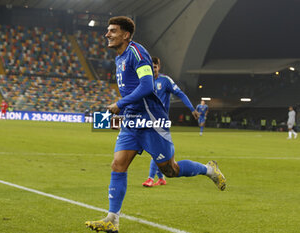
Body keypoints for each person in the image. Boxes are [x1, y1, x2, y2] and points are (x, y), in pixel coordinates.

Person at [85, 16, 226, 233]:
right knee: (118, 164)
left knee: (170, 170)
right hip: (132, 120)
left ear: (125, 34)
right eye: (108, 30)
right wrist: (124, 108)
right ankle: (112, 219)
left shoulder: (136, 53)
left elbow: (147, 85)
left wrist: (120, 103)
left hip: (151, 119)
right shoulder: (120, 58)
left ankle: (209, 169)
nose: (107, 34)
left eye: (112, 31)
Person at [142, 56, 197, 187]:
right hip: (148, 120)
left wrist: (191, 108)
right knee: (155, 150)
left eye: (155, 67)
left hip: (161, 121)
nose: (153, 69)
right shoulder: (145, 82)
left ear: (158, 67)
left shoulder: (165, 81)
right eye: (151, 66)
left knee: (156, 150)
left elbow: (180, 94)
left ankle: (150, 178)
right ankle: (161, 178)